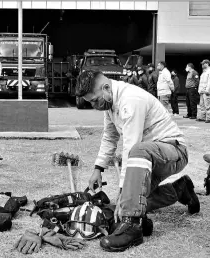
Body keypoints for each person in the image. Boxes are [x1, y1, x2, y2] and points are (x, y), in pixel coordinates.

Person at [76, 70, 199, 252]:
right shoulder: (110, 102)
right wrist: (98, 169)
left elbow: (131, 146)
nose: (95, 106)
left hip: (174, 151)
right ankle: (180, 189)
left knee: (129, 198)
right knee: (135, 202)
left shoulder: (131, 99)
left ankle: (132, 227)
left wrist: (123, 194)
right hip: (149, 158)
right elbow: (110, 136)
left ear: (106, 87)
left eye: (95, 100)